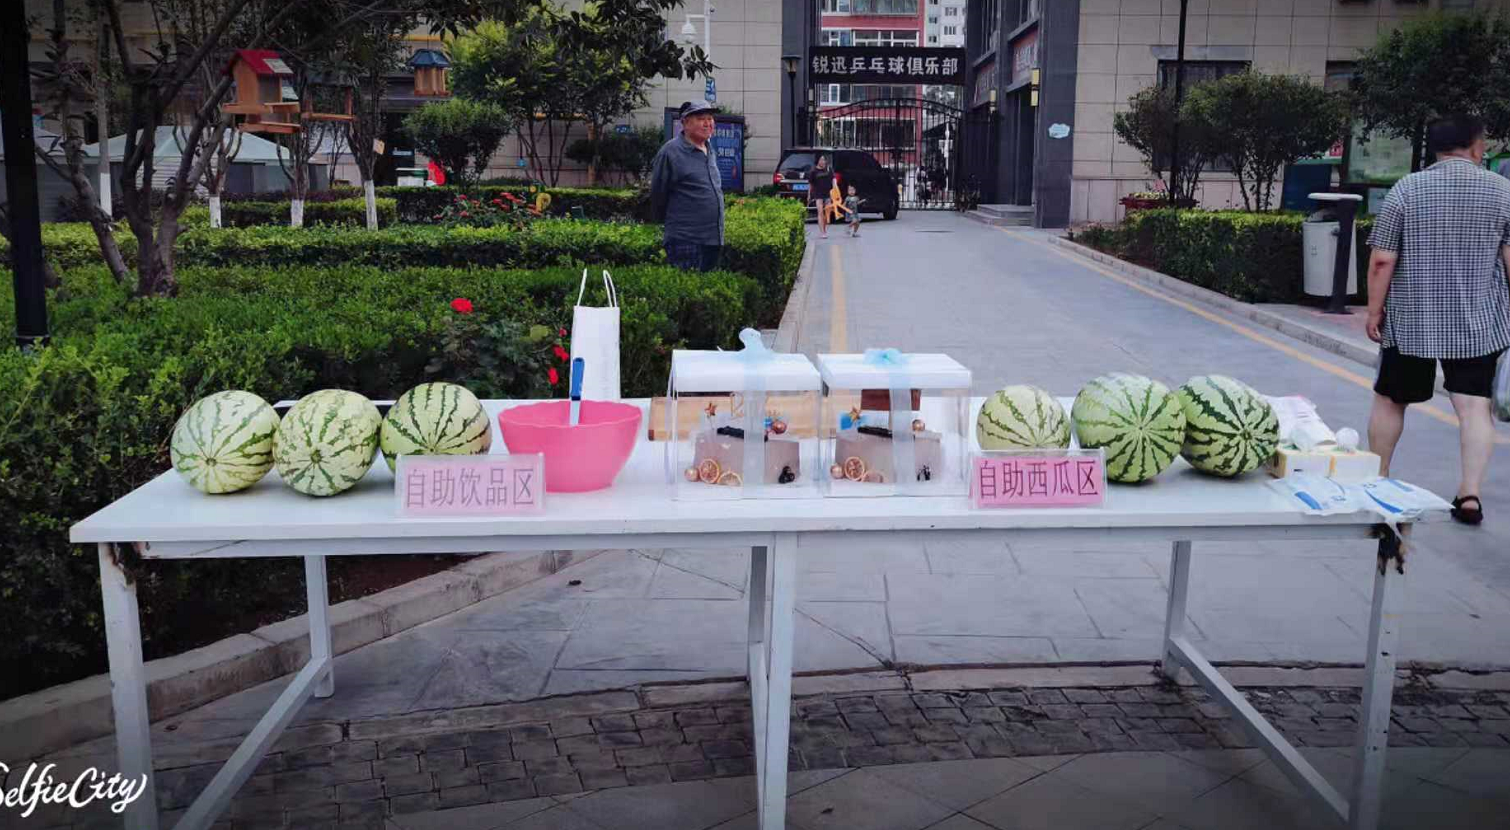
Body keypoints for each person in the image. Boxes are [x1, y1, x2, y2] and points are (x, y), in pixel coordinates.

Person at [1365, 113, 1510, 525]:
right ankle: (1470, 495)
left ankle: (1378, 480)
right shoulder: (1503, 192)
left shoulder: (1406, 189)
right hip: (1478, 323)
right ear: (1476, 147)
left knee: (1391, 400)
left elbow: (1382, 260)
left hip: (1413, 320)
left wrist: (1374, 310)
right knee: (1474, 407)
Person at [649, 101, 725, 271]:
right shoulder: (670, 152)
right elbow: (658, 195)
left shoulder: (709, 149)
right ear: (685, 122)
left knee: (708, 287)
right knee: (688, 287)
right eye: (701, 119)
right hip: (685, 241)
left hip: (713, 240)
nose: (708, 123)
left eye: (710, 118)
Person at [809, 153, 835, 239]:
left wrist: (835, 187)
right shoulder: (814, 171)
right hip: (818, 194)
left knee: (827, 213)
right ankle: (822, 232)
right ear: (817, 161)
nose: (823, 161)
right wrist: (809, 195)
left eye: (824, 160)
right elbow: (810, 184)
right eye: (821, 160)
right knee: (820, 213)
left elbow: (833, 179)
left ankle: (824, 229)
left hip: (828, 194)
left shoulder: (829, 169)